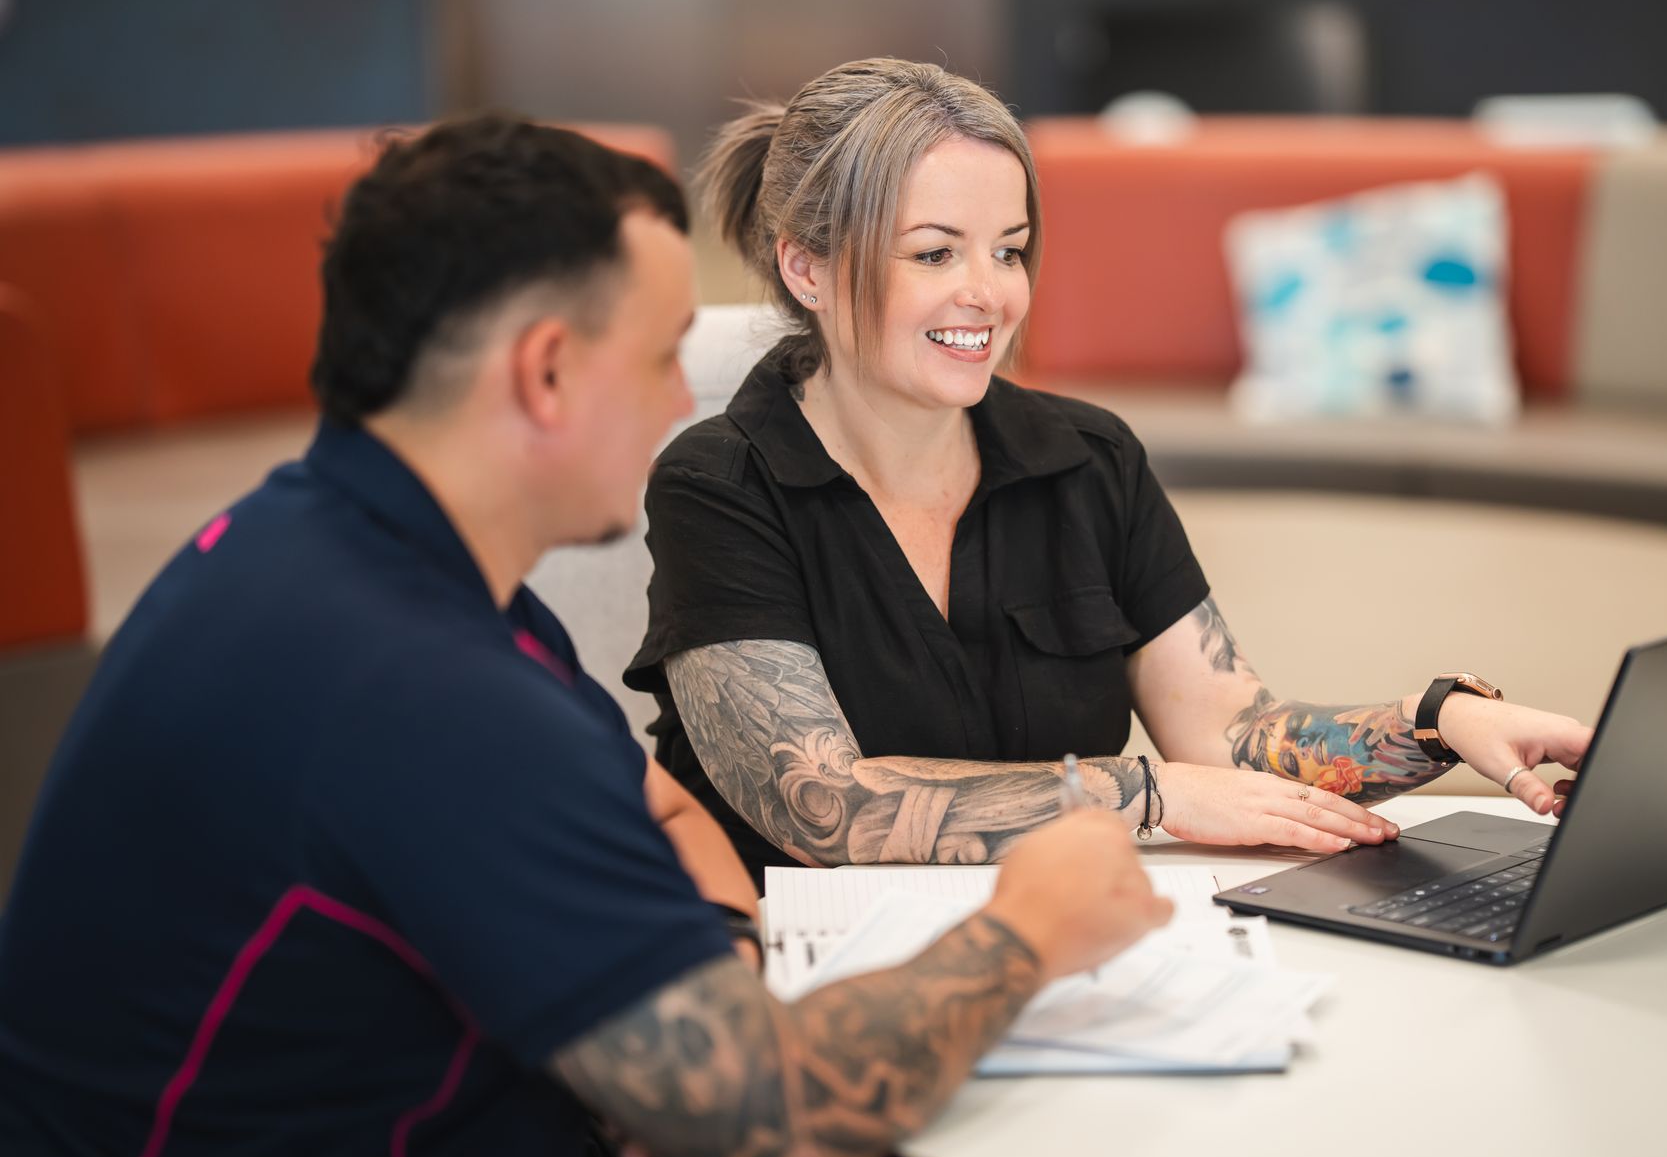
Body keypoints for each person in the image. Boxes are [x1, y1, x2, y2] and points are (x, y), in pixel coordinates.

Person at [0, 115, 1171, 1157]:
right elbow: (767, 1123)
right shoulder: (423, 692)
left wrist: (708, 963)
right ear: (546, 371)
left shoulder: (325, 545)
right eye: (661, 358)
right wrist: (1028, 927)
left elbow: (651, 803)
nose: (676, 405)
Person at [626, 58, 1595, 885]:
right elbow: (824, 804)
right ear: (806, 269)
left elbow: (1231, 733)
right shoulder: (718, 486)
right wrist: (1146, 794)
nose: (990, 294)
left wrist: (1437, 722)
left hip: (1066, 938)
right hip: (803, 968)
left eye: (1010, 251)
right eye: (935, 253)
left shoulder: (1090, 460)